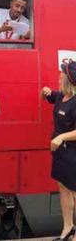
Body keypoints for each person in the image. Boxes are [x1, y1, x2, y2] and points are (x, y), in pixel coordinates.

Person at [41, 61, 76, 241]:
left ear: (68, 79)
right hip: (60, 154)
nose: (59, 75)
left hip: (73, 154)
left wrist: (62, 137)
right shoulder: (62, 95)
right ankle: (68, 228)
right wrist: (46, 92)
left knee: (74, 192)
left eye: (61, 73)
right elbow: (51, 97)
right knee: (63, 189)